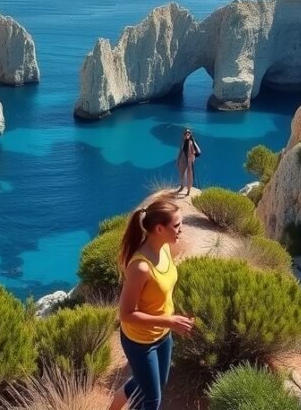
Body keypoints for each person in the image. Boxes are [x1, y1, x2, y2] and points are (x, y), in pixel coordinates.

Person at [111, 199, 194, 410]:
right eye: (176, 226)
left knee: (153, 383)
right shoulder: (140, 267)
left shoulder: (164, 248)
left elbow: (161, 290)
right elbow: (126, 314)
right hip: (140, 340)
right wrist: (169, 321)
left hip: (163, 333)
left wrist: (170, 320)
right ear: (159, 229)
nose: (181, 230)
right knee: (152, 400)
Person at [175, 128, 197, 197]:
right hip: (183, 159)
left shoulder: (192, 142)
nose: (186, 135)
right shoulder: (183, 141)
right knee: (181, 173)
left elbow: (194, 152)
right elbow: (180, 151)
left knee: (189, 175)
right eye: (185, 134)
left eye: (188, 134)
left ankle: (189, 190)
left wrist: (192, 158)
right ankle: (182, 186)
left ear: (190, 135)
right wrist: (178, 160)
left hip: (189, 160)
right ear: (183, 135)